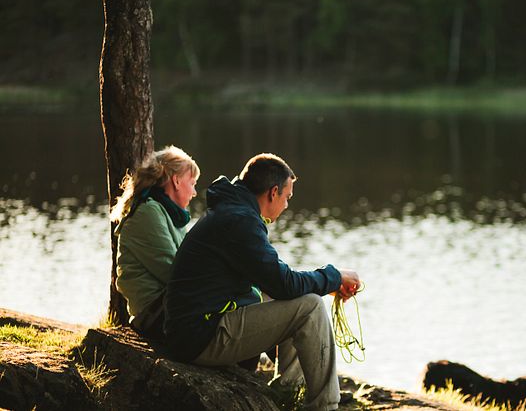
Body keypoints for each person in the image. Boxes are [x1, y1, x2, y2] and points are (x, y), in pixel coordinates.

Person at [164, 153, 359, 411]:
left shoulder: (233, 211)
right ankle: (324, 405)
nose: (287, 205)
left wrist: (325, 283)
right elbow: (284, 283)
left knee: (294, 298)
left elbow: (276, 281)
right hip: (200, 337)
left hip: (193, 331)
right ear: (273, 192)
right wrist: (333, 277)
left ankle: (288, 390)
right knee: (309, 306)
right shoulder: (240, 221)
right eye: (287, 198)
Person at [110, 145, 200, 339]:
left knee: (252, 299)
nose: (194, 193)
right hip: (155, 314)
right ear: (176, 181)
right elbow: (173, 271)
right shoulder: (148, 212)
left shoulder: (170, 215)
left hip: (170, 307)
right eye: (192, 183)